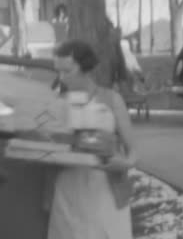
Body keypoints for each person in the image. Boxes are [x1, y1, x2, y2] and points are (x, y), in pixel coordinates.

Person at [47, 39, 137, 239]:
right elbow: (47, 146)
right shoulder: (57, 104)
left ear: (85, 68)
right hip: (70, 190)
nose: (61, 78)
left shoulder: (112, 100)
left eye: (67, 71)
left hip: (106, 190)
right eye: (58, 72)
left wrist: (123, 163)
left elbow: (133, 154)